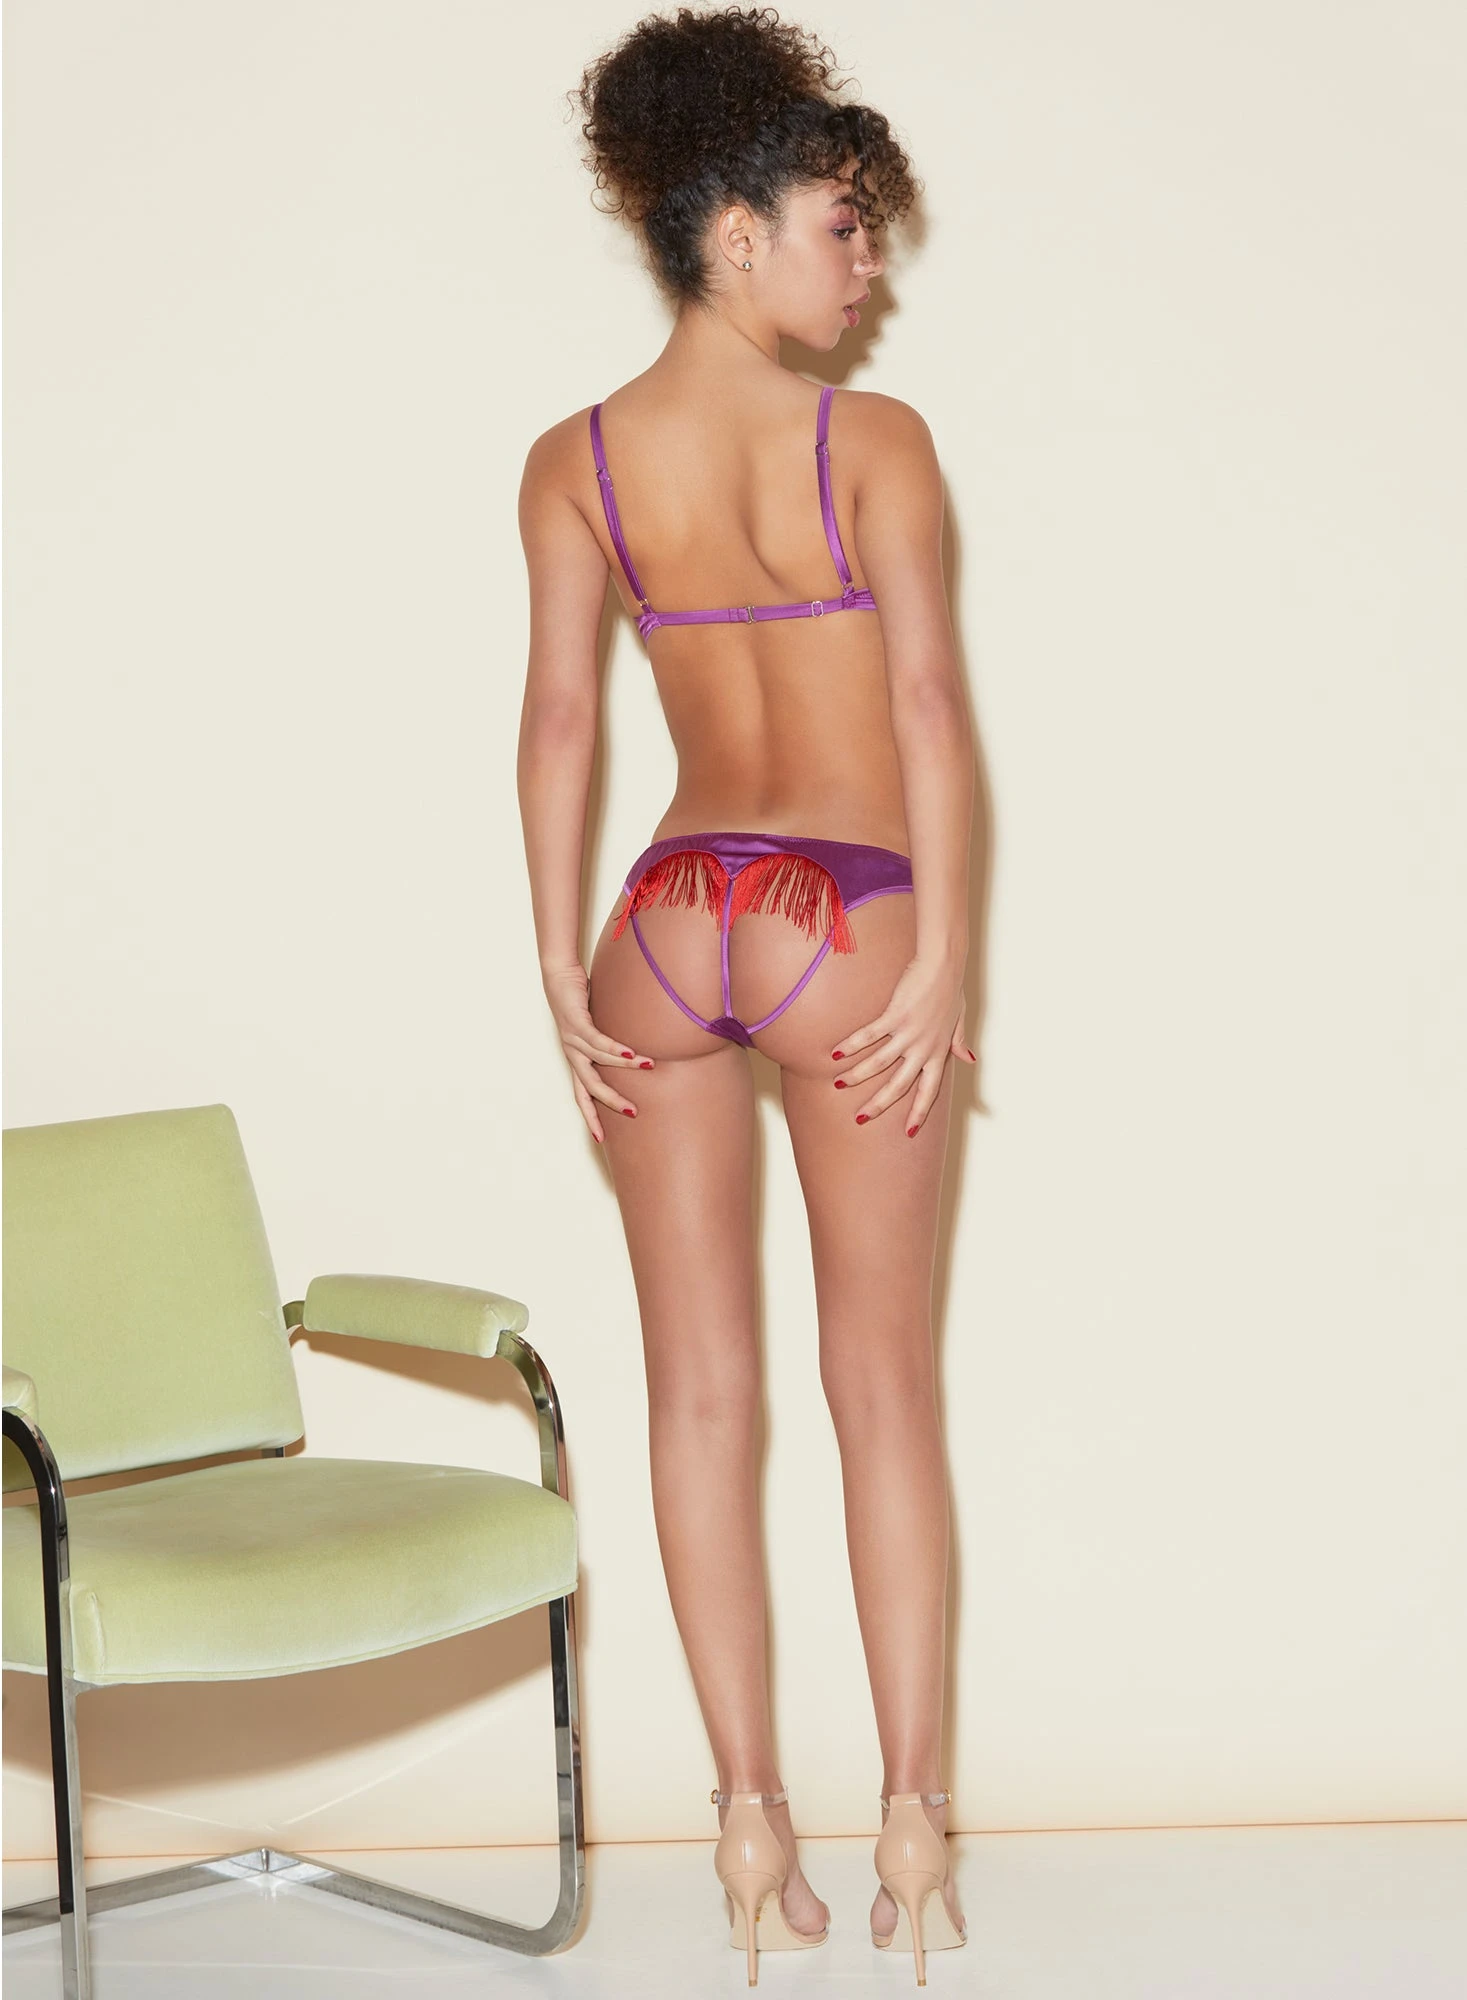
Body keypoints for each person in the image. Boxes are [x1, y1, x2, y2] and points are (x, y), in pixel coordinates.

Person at [516, 5, 975, 1983]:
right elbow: (928, 708)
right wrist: (942, 957)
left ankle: (741, 1814)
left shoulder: (575, 465)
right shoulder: (871, 445)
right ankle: (911, 1821)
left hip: (662, 916)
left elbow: (558, 724)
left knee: (697, 1391)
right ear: (732, 234)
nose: (865, 268)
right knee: (881, 1389)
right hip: (843, 917)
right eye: (841, 228)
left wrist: (558, 959)